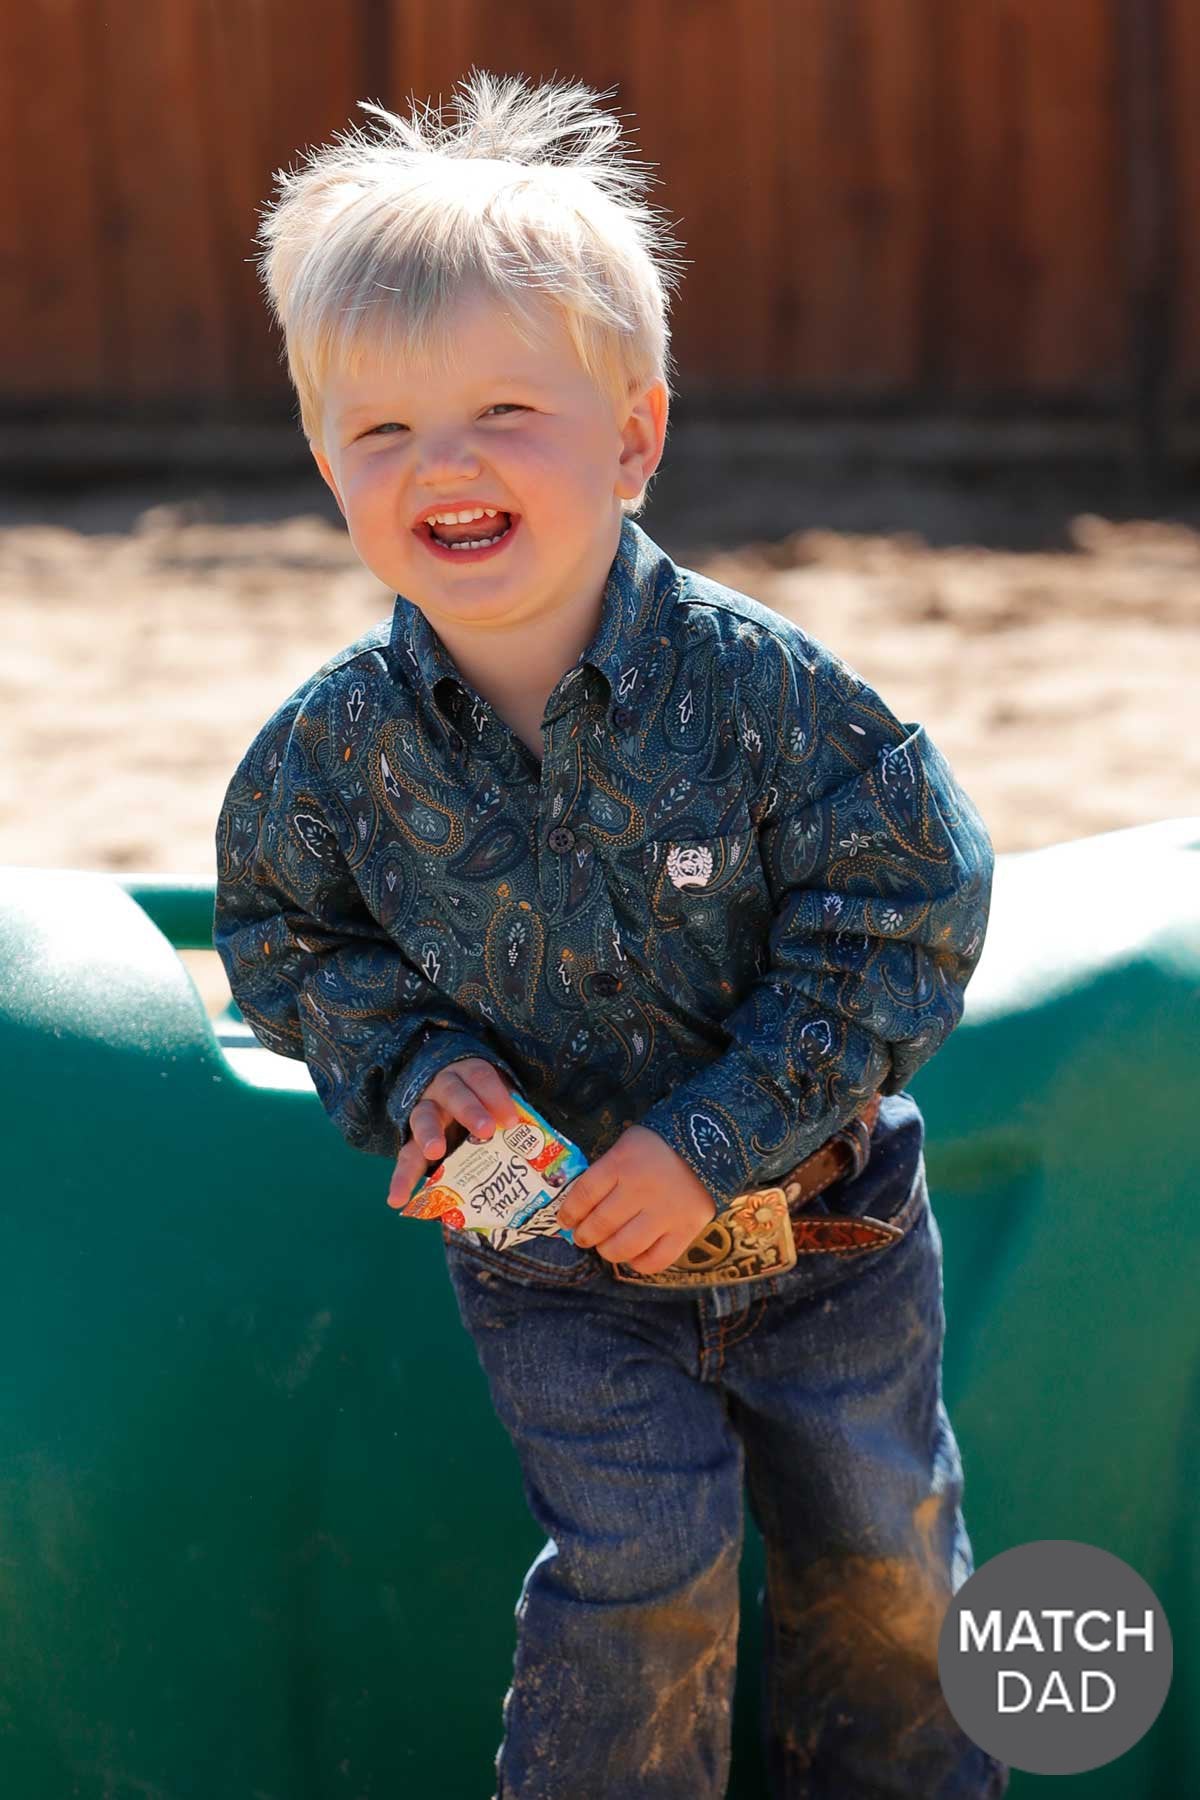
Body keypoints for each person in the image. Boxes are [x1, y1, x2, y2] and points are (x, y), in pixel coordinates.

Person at [213, 67, 1008, 1799]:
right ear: (327, 463)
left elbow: (911, 906)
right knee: (641, 1567)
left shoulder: (769, 698)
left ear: (634, 437)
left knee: (884, 1564)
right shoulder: (331, 755)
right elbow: (287, 937)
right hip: (555, 1256)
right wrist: (415, 1067)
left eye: (506, 410)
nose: (445, 464)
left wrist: (712, 1137)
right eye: (382, 431)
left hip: (823, 1232)